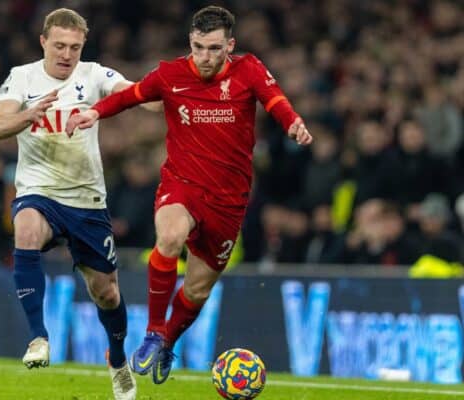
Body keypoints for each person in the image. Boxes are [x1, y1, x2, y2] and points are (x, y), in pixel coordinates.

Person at [66, 5, 312, 384]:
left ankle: (168, 340)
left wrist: (292, 121)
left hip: (229, 200)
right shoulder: (171, 74)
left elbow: (274, 97)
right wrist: (94, 113)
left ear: (230, 45)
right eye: (199, 47)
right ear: (190, 43)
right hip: (182, 184)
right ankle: (151, 333)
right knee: (169, 236)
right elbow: (132, 95)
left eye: (215, 48)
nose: (206, 57)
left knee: (197, 290)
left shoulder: (248, 70)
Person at [0, 8, 151, 400]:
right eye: (59, 45)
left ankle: (116, 359)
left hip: (87, 201)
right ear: (43, 41)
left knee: (106, 293)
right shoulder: (22, 77)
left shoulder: (94, 75)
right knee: (25, 228)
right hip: (39, 192)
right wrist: (30, 114)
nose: (66, 54)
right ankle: (38, 338)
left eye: (74, 47)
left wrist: (173, 92)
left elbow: (140, 96)